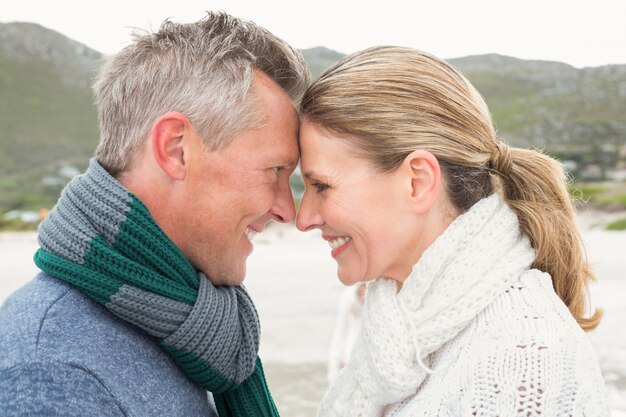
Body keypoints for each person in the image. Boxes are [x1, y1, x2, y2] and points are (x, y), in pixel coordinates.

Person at [0, 12, 309, 417]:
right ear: (176, 149)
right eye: (275, 171)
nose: (288, 211)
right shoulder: (53, 373)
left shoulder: (192, 332)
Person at [295, 46, 610, 416]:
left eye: (321, 186)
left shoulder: (522, 362)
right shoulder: (399, 330)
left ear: (418, 181)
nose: (304, 219)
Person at [327, 283, 366, 383]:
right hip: (349, 363)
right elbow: (340, 330)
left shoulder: (382, 290)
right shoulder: (348, 295)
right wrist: (333, 368)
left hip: (372, 368)